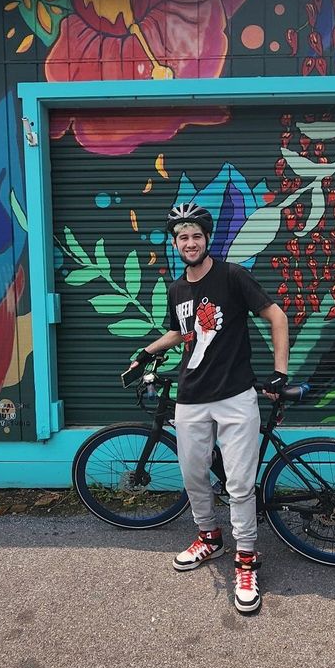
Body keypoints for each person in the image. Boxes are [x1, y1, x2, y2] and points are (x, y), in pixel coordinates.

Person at [122, 201, 289, 615]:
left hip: (235, 396)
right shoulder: (177, 289)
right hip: (191, 397)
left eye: (196, 235)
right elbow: (180, 333)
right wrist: (146, 352)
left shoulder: (232, 276)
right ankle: (210, 537)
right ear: (174, 243)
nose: (190, 242)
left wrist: (280, 373)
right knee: (194, 475)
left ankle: (246, 559)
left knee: (239, 485)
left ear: (207, 238)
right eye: (183, 237)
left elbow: (277, 317)